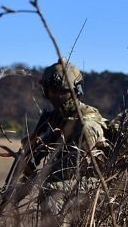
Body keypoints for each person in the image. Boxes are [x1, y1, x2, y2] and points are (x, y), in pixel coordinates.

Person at [18, 60, 107, 227]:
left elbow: (73, 169)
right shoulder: (55, 118)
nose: (55, 96)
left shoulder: (86, 124)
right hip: (69, 181)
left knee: (50, 191)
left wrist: (38, 177)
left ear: (76, 91)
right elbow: (33, 153)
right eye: (50, 91)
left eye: (61, 91)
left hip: (95, 183)